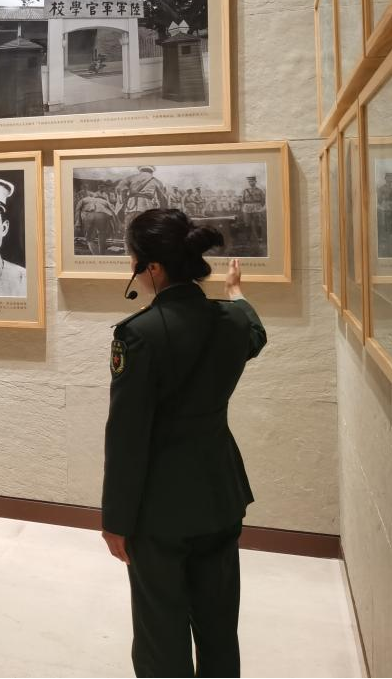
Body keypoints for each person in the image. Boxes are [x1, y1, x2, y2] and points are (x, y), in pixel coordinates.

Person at [101, 209, 267, 678]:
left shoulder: (139, 335)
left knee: (161, 633)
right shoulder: (232, 322)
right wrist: (236, 292)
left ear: (152, 267)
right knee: (218, 626)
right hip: (219, 494)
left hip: (159, 507)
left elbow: (127, 437)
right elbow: (256, 333)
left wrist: (116, 520)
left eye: (134, 260)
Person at [75, 190, 117, 256]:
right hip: (102, 215)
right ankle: (102, 254)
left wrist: (78, 223)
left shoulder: (83, 200)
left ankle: (96, 255)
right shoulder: (104, 201)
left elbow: (78, 211)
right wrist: (115, 226)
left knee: (89, 238)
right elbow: (113, 212)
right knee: (102, 235)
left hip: (90, 215)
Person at [240, 176, 266, 251]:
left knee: (258, 224)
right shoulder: (245, 191)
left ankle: (260, 239)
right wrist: (244, 207)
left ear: (255, 182)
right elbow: (242, 200)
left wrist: (259, 207)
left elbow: (263, 200)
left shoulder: (259, 190)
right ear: (248, 182)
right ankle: (248, 240)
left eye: (252, 181)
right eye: (249, 181)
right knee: (247, 224)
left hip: (257, 208)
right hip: (247, 208)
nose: (251, 182)